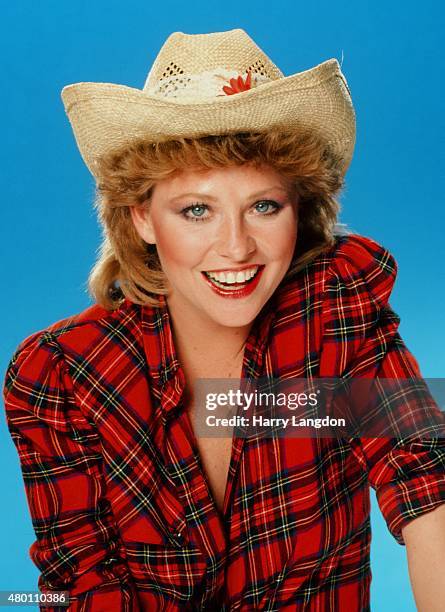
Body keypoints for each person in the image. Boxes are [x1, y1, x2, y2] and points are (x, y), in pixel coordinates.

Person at [3, 29, 445, 612]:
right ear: (141, 218)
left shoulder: (337, 308)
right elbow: (78, 584)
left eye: (264, 206)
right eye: (196, 210)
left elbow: (425, 485)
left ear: (299, 209)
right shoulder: (60, 377)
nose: (236, 247)